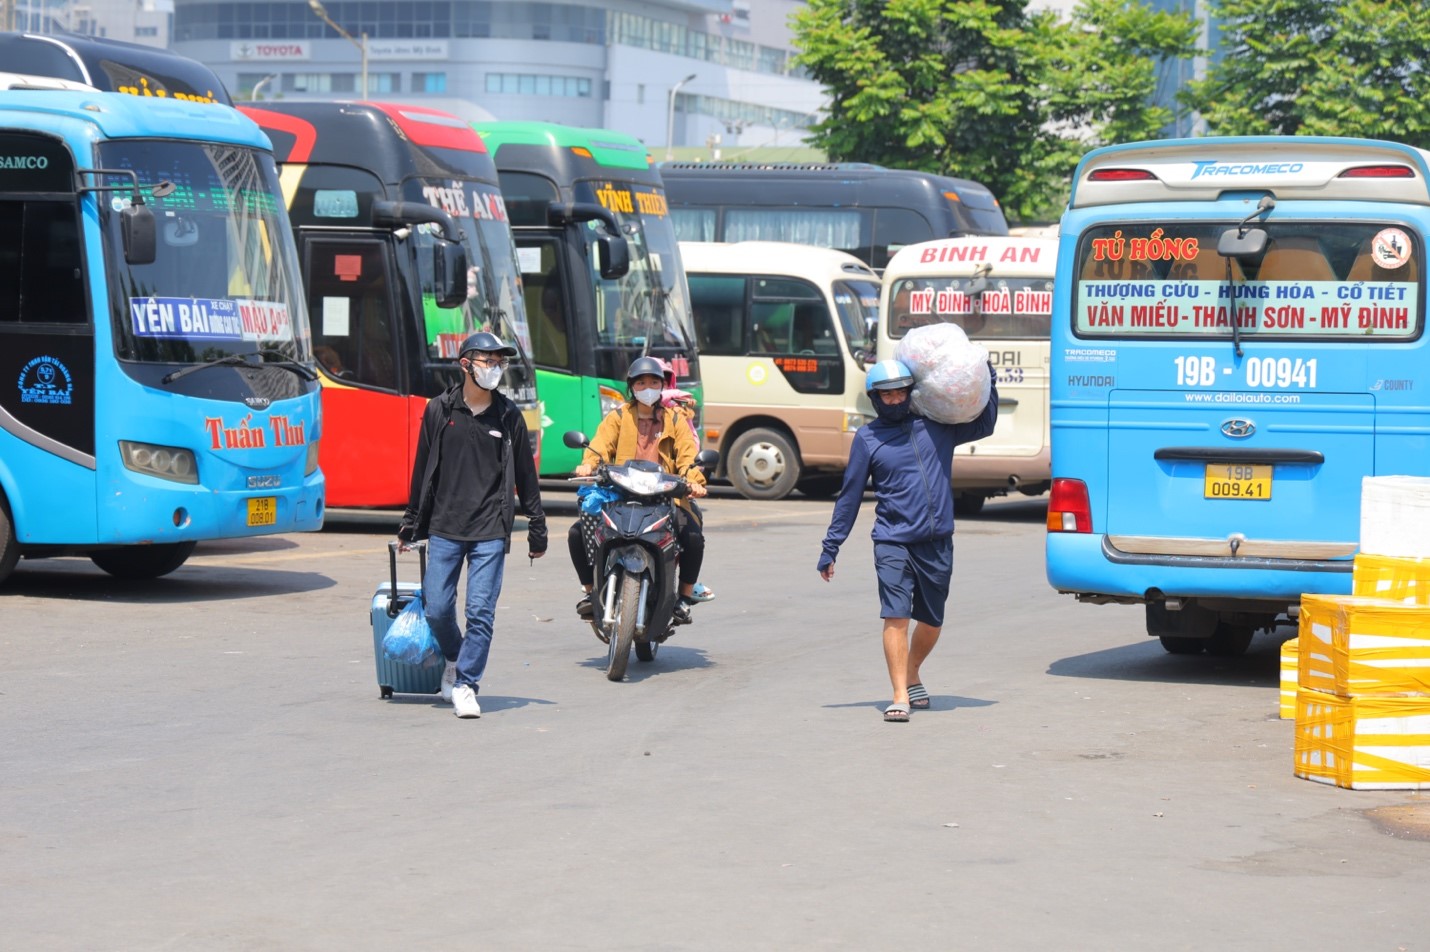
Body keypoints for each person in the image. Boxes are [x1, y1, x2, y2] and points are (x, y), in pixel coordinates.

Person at [816, 357, 997, 723]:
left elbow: (985, 424)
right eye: (888, 395)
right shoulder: (867, 439)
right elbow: (850, 496)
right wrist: (830, 546)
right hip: (892, 541)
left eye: (901, 393)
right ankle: (899, 693)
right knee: (895, 615)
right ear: (875, 399)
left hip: (937, 541)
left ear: (910, 393)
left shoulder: (937, 427)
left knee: (931, 621)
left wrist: (988, 376)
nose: (896, 401)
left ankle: (912, 671)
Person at [397, 331, 547, 718]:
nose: (495, 368)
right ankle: (453, 656)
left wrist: (536, 524)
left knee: (481, 611)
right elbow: (423, 469)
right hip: (445, 527)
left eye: (500, 362)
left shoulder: (509, 415)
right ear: (465, 364)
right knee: (437, 608)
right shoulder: (439, 410)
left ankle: (466, 684)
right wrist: (411, 524)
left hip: (490, 531)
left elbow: (525, 475)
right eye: (487, 360)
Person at [568, 355, 709, 625]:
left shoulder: (676, 419)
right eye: (641, 382)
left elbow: (688, 458)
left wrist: (694, 482)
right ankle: (589, 593)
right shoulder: (618, 417)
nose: (647, 387)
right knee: (577, 533)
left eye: (653, 382)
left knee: (692, 536)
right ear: (631, 387)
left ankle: (684, 598)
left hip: (665, 495)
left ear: (662, 386)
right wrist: (588, 465)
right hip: (620, 493)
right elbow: (599, 447)